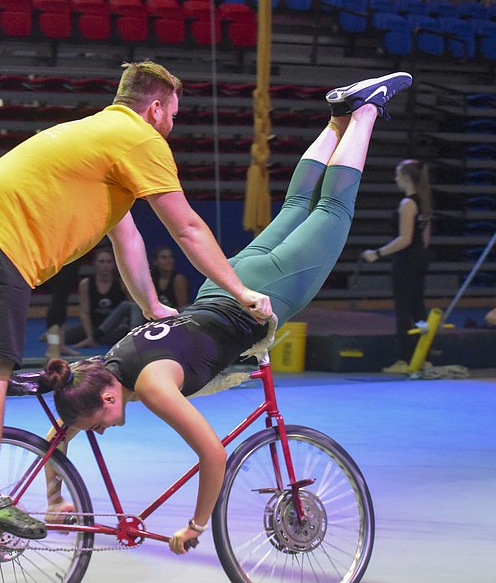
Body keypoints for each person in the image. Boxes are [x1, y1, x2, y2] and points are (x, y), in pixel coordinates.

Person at [38, 72, 412, 554]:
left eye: (99, 424)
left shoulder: (150, 388)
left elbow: (214, 455)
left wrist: (194, 526)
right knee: (300, 204)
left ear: (110, 401)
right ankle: (338, 117)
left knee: (333, 210)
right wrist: (54, 498)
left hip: (258, 294)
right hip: (223, 283)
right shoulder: (99, 371)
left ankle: (363, 112)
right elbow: (58, 433)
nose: (104, 430)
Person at [0, 61, 272, 540]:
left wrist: (153, 306)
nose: (171, 127)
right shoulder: (139, 138)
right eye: (172, 115)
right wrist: (240, 292)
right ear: (155, 109)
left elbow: (127, 239)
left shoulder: (100, 139)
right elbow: (188, 227)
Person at [360, 158, 432, 373]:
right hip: (420, 259)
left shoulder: (408, 203)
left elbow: (405, 239)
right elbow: (424, 238)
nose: (395, 179)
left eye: (398, 175)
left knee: (403, 311)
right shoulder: (424, 201)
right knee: (418, 310)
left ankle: (403, 360)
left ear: (407, 178)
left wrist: (377, 253)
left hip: (406, 261)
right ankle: (422, 359)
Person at [84, 245, 191, 345]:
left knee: (186, 309)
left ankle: (133, 341)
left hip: (169, 317)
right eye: (164, 258)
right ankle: (101, 337)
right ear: (155, 262)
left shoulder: (178, 279)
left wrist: (161, 309)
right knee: (131, 305)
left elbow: (181, 307)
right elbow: (137, 301)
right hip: (148, 318)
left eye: (170, 258)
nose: (169, 261)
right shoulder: (150, 278)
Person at [65, 247, 130, 348]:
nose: (105, 265)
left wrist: (123, 324)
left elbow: (131, 307)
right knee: (62, 337)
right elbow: (84, 312)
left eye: (109, 262)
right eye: (101, 262)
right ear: (95, 263)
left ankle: (99, 338)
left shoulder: (122, 283)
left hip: (114, 327)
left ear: (114, 264)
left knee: (119, 336)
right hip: (92, 325)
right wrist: (90, 335)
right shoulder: (86, 284)